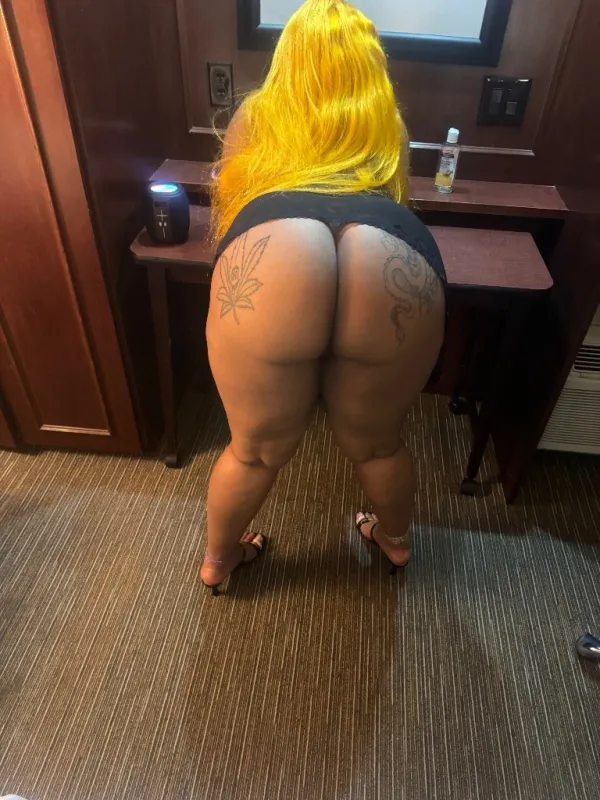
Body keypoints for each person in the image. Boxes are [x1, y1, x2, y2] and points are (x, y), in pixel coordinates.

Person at [200, 0, 446, 594]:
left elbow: (230, 199)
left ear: (287, 56)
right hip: (385, 248)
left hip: (277, 248)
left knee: (253, 451)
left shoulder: (256, 114)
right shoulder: (386, 122)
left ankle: (219, 560)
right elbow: (397, 195)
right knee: (380, 443)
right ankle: (394, 541)